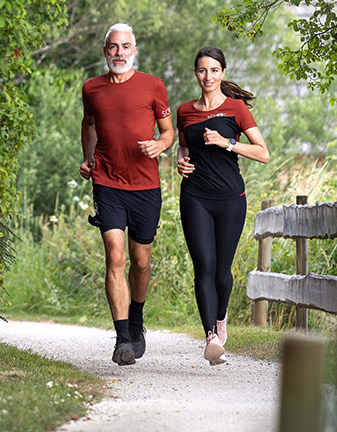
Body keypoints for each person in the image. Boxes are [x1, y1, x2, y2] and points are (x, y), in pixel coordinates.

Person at [80, 23, 174, 366]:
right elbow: (88, 123)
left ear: (134, 51)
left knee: (141, 261)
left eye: (125, 47)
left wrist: (160, 145)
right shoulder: (92, 89)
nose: (119, 52)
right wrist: (88, 158)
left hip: (146, 185)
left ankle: (137, 318)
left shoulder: (152, 85)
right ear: (105, 51)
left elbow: (168, 132)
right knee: (115, 256)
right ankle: (122, 339)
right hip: (107, 181)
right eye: (113, 47)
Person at [176, 46, 269, 365]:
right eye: (202, 70)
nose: (208, 76)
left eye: (214, 70)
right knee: (203, 265)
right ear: (196, 73)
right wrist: (181, 162)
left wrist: (228, 143)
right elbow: (183, 145)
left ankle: (220, 317)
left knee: (221, 270)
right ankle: (211, 338)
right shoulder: (185, 110)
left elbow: (263, 152)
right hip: (195, 196)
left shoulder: (236, 109)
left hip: (231, 199)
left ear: (223, 73)